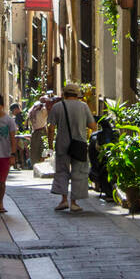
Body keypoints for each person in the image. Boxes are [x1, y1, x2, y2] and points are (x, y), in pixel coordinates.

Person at [47, 83, 96, 212]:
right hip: (79, 144)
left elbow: (51, 129)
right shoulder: (83, 107)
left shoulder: (57, 107)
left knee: (62, 171)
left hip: (62, 144)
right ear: (77, 95)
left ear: (64, 94)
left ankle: (63, 200)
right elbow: (93, 126)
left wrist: (50, 146)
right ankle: (74, 202)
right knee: (78, 172)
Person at [27, 96, 50, 166]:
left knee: (35, 151)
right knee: (43, 150)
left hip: (34, 132)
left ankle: (35, 165)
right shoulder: (43, 110)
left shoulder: (32, 111)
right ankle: (42, 165)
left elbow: (29, 122)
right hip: (42, 131)